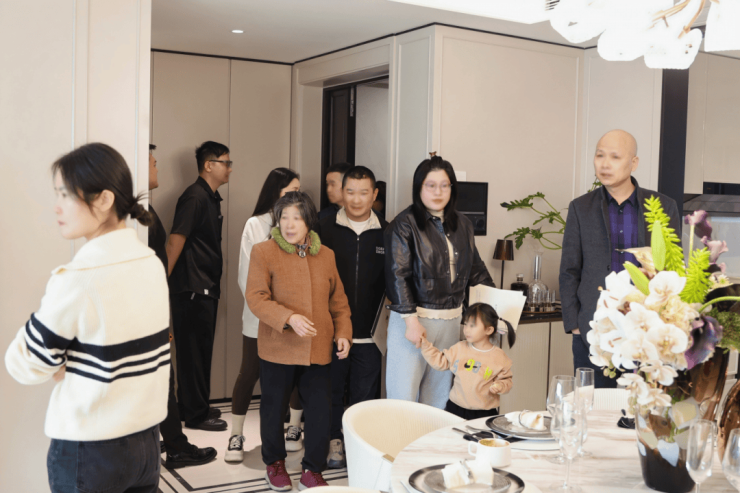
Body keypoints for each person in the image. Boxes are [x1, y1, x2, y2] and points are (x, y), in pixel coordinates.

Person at [5, 143, 170, 492]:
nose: (57, 206)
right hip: (146, 445)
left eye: (66, 195)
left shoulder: (79, 278)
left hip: (91, 450)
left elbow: (23, 363)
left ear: (104, 199)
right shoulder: (151, 262)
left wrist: (66, 363)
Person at [246, 191, 352, 491]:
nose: (290, 224)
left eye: (297, 217)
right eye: (284, 217)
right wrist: (289, 318)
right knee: (273, 409)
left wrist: (343, 333)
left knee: (319, 411)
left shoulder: (326, 255)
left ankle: (312, 470)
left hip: (318, 347)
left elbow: (339, 302)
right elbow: (256, 297)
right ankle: (275, 464)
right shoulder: (263, 251)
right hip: (278, 347)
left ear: (309, 221)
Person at [559, 129, 681, 389]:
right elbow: (569, 270)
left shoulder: (662, 206)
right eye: (599, 155)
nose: (605, 164)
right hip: (593, 331)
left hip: (646, 332)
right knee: (592, 406)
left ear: (633, 163)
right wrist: (575, 326)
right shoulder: (581, 207)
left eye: (615, 157)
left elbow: (672, 270)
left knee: (641, 406)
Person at [384, 155, 495, 409]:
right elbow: (397, 275)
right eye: (431, 185)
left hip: (452, 321)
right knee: (404, 397)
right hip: (414, 322)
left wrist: (495, 311)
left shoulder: (463, 224)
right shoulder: (403, 225)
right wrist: (411, 322)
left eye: (444, 185)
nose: (438, 192)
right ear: (419, 188)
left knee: (438, 398)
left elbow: (477, 272)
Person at [148, 144, 217, 468]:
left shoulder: (143, 208)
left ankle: (172, 442)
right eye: (152, 162)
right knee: (165, 375)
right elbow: (171, 246)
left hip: (156, 304)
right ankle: (176, 444)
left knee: (164, 376)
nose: (156, 167)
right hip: (156, 304)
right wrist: (160, 303)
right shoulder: (192, 197)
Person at [314, 166, 388, 469]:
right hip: (332, 330)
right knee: (331, 390)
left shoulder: (388, 231)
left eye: (363, 192)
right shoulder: (323, 228)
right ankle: (334, 440)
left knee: (364, 394)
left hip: (371, 333)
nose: (356, 200)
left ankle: (357, 444)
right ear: (341, 193)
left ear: (374, 194)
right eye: (350, 192)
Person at [226, 167, 301, 463]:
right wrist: (270, 309)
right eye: (290, 192)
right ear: (275, 192)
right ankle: (236, 434)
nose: (296, 197)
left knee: (295, 371)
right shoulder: (255, 224)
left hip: (293, 316)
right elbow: (247, 276)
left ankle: (294, 427)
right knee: (249, 372)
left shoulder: (301, 223)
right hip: (258, 315)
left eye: (298, 191)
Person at [166, 141, 231, 431]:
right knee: (193, 353)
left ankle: (193, 405)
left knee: (199, 351)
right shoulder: (194, 196)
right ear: (208, 165)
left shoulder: (210, 197)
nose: (229, 168)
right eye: (225, 162)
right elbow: (175, 242)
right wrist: (160, 284)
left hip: (204, 286)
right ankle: (196, 415)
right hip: (192, 288)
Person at [420, 303, 514, 420]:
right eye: (465, 324)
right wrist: (425, 346)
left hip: (484, 413)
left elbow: (506, 380)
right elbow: (440, 362)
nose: (466, 330)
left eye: (472, 326)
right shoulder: (459, 348)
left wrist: (500, 386)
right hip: (455, 408)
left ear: (489, 330)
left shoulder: (499, 357)